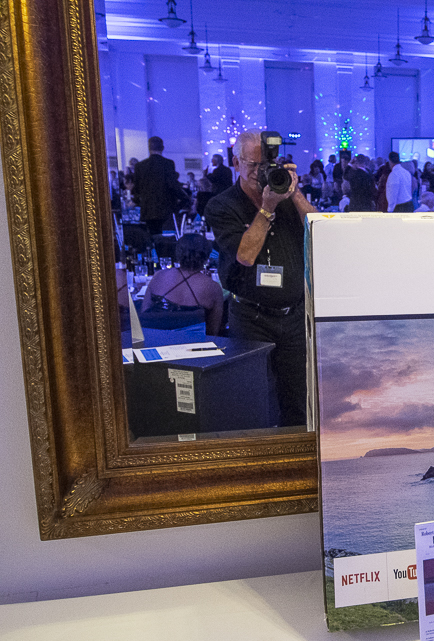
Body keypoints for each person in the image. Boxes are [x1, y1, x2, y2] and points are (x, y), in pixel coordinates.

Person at [204, 130, 317, 427]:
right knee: (253, 400)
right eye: (252, 165)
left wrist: (294, 192)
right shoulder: (222, 205)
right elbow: (245, 255)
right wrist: (267, 208)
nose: (259, 172)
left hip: (293, 317)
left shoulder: (286, 196)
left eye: (265, 164)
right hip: (251, 318)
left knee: (299, 399)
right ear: (236, 163)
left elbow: (318, 233)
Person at [141, 233, 224, 336]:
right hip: (194, 343)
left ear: (178, 253)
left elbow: (144, 314)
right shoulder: (213, 288)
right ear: (206, 256)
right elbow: (213, 331)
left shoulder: (159, 276)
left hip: (156, 341)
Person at [132, 136, 188, 236]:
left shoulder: (140, 166)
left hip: (147, 209)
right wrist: (184, 198)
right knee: (167, 237)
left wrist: (139, 202)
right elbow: (172, 185)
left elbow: (136, 189)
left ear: (149, 148)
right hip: (165, 208)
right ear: (162, 148)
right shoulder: (168, 164)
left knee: (151, 236)